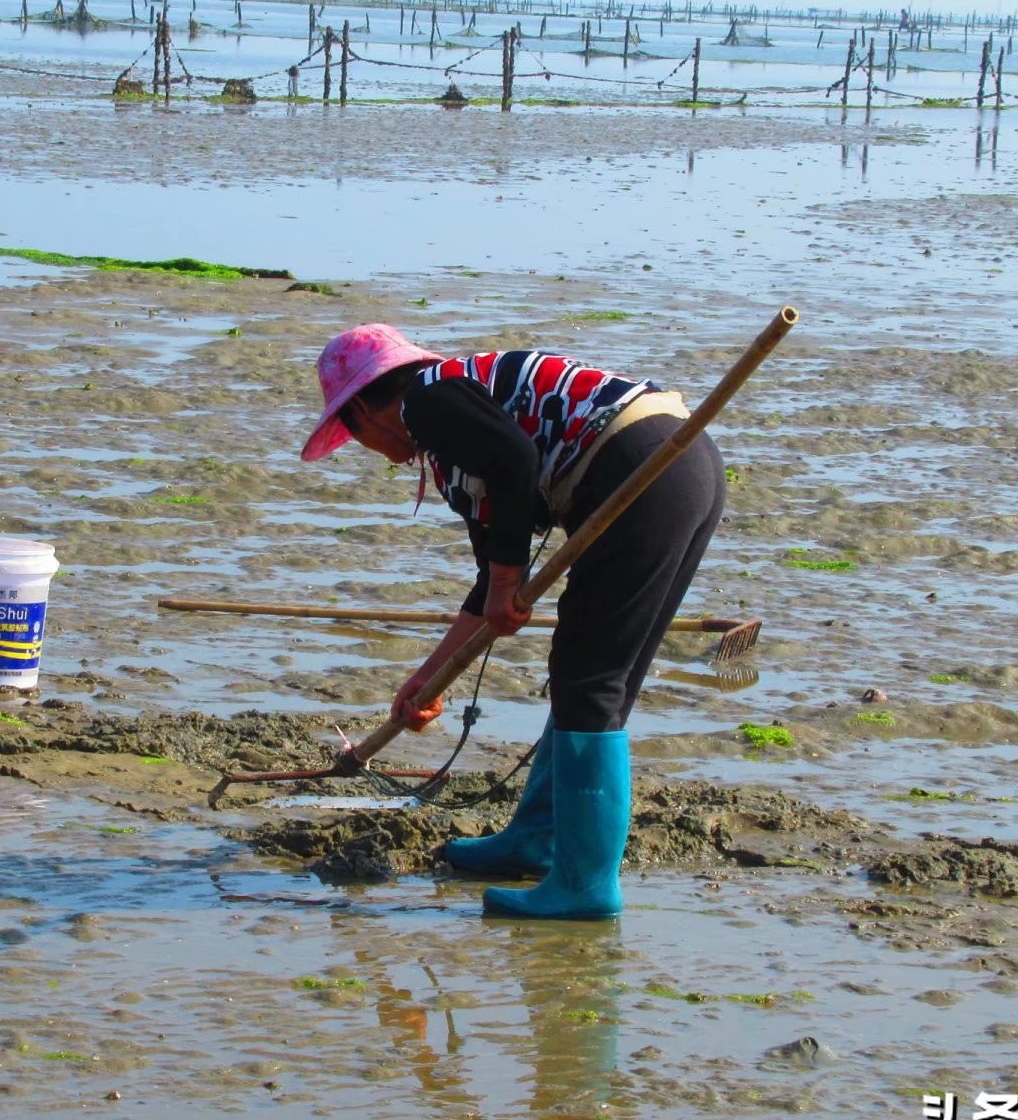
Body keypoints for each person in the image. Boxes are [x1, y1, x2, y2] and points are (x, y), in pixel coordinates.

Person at [301, 324, 728, 920]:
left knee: (591, 680)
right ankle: (536, 839)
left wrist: (508, 583)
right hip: (681, 467)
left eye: (349, 428)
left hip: (641, 466)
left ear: (369, 406)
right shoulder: (460, 434)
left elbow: (514, 460)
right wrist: (429, 678)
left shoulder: (426, 398)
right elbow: (492, 577)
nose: (359, 444)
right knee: (602, 676)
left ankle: (585, 887)